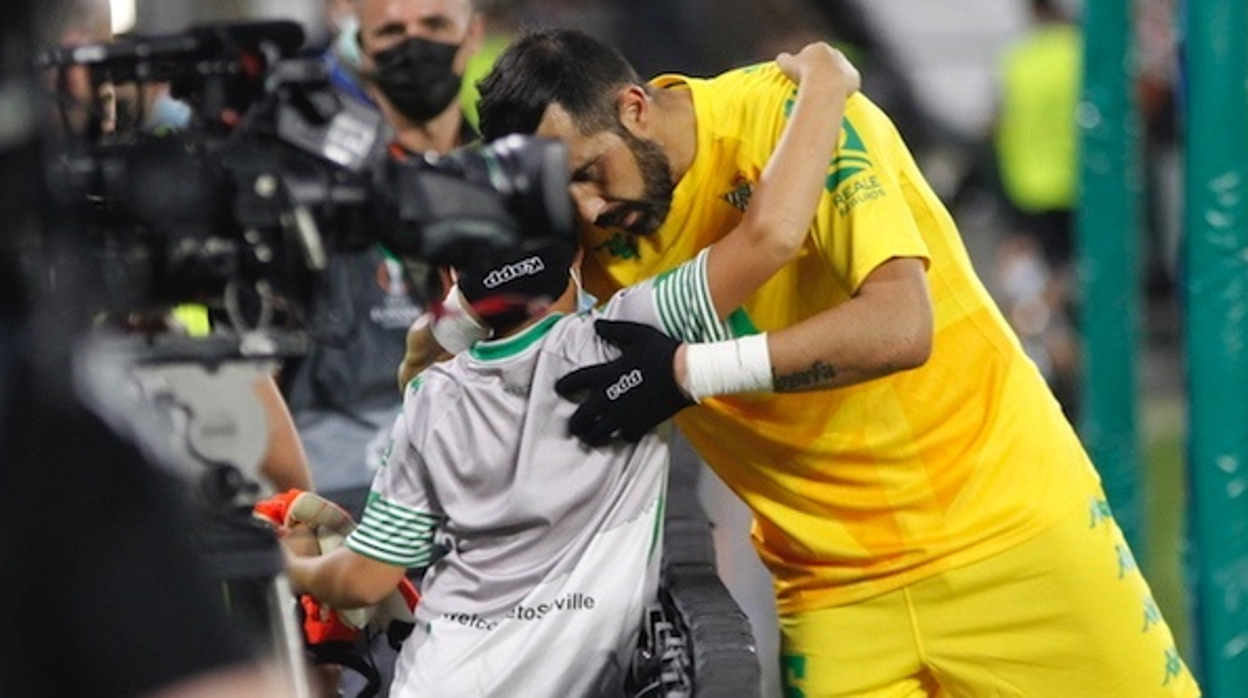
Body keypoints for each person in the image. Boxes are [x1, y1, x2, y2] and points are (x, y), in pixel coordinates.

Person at [468, 27, 1202, 697]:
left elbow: (900, 326)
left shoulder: (792, 115)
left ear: (634, 108)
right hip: (831, 592)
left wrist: (688, 372)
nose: (588, 210)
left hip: (1005, 529)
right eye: (560, 192)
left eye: (590, 172)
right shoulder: (578, 233)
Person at [285, 42, 858, 697]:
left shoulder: (432, 398)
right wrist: (824, 82)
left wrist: (289, 566)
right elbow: (772, 234)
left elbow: (361, 581)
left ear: (452, 278)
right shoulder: (629, 334)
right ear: (579, 257)